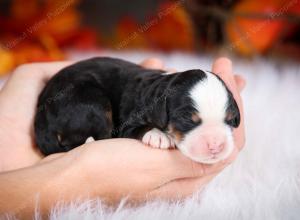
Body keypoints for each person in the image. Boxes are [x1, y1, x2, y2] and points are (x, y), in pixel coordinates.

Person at [0, 57, 245, 218]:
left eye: (227, 120)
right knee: (99, 113)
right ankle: (74, 141)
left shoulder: (164, 95)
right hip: (77, 95)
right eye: (190, 122)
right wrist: (144, 132)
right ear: (162, 111)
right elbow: (129, 126)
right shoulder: (150, 103)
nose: (216, 142)